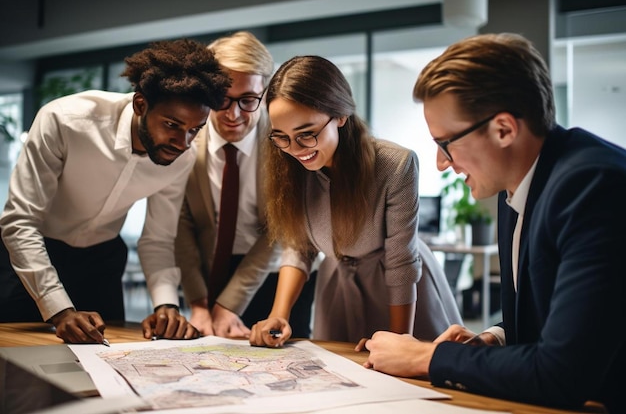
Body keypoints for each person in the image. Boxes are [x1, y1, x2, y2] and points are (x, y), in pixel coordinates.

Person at [357, 33, 625, 413]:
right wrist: (493, 339)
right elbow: (550, 318)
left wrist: (426, 358)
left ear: (503, 129)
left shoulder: (593, 187)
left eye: (445, 143)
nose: (440, 162)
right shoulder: (515, 182)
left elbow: (562, 375)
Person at [0, 38, 231, 344]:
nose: (183, 142)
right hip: (34, 257)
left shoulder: (182, 156)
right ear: (140, 105)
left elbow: (158, 239)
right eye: (172, 124)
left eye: (194, 130)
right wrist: (60, 311)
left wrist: (166, 305)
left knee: (105, 367)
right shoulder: (65, 122)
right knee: (17, 366)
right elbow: (20, 223)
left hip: (103, 263)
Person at [248, 55, 462, 347]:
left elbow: (400, 261)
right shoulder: (289, 166)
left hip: (401, 294)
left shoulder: (395, 165)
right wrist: (278, 314)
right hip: (338, 289)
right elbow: (299, 248)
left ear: (340, 115)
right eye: (281, 137)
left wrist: (400, 342)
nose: (295, 150)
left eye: (306, 135)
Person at [175, 31, 315, 339]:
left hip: (279, 273)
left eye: (248, 100)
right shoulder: (184, 140)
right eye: (220, 98)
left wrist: (230, 304)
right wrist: (198, 303)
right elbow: (181, 224)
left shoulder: (285, 142)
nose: (233, 114)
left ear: (265, 93)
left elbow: (279, 229)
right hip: (212, 272)